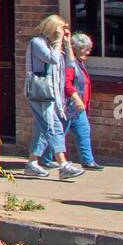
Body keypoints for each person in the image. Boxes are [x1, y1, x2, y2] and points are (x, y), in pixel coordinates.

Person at [23, 14, 85, 181]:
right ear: (52, 28)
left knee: (41, 129)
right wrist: (57, 43)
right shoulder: (37, 43)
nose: (62, 32)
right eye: (60, 28)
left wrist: (66, 43)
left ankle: (32, 164)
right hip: (41, 93)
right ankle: (63, 165)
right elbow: (52, 59)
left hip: (52, 94)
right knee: (53, 127)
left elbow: (71, 64)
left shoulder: (55, 45)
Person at [64, 32, 104, 171]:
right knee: (57, 134)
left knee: (84, 131)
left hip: (78, 108)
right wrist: (76, 98)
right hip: (68, 106)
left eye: (89, 49)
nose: (88, 52)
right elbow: (66, 84)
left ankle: (88, 161)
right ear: (74, 49)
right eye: (85, 49)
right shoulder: (70, 64)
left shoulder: (79, 63)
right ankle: (43, 159)